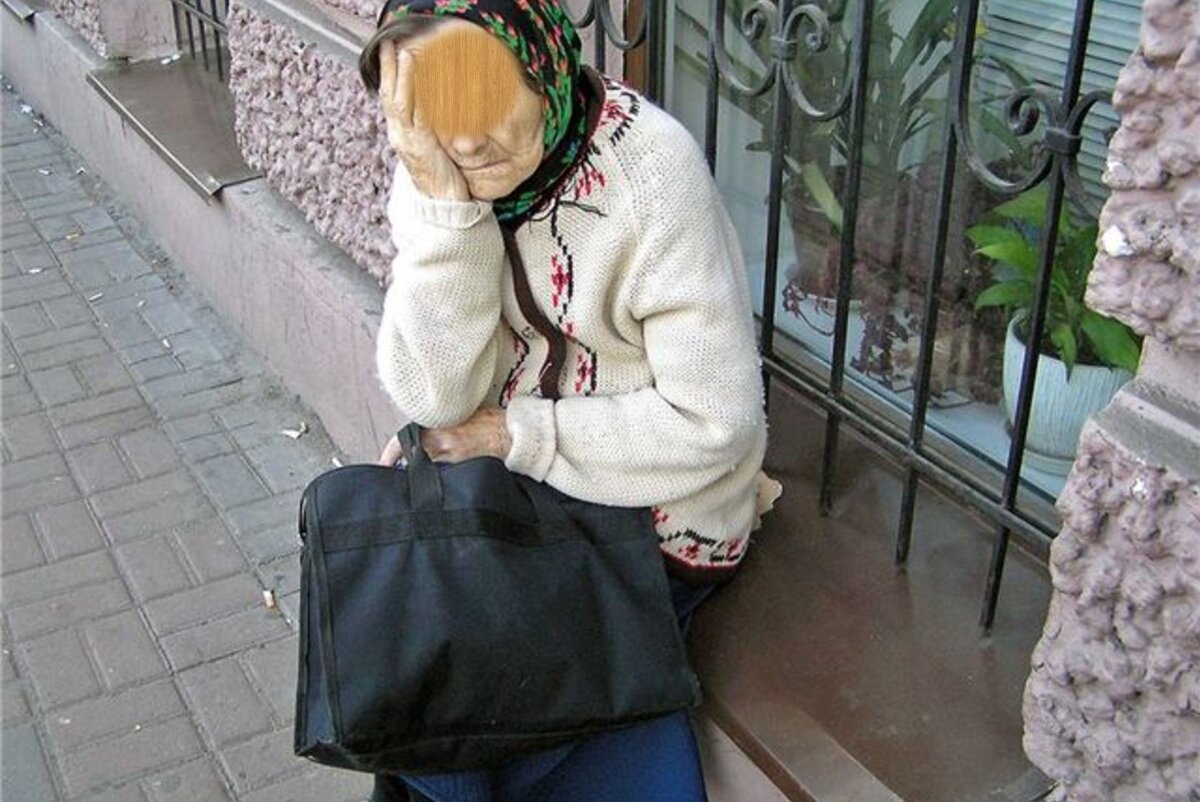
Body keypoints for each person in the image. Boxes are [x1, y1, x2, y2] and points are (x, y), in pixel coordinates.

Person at [359, 0, 775, 798]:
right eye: (433, 110)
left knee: (486, 679)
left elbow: (715, 421)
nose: (467, 140)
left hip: (651, 498)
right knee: (412, 649)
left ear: (540, 63)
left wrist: (510, 435)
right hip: (518, 480)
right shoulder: (437, 177)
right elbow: (435, 394)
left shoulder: (647, 173)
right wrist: (449, 219)